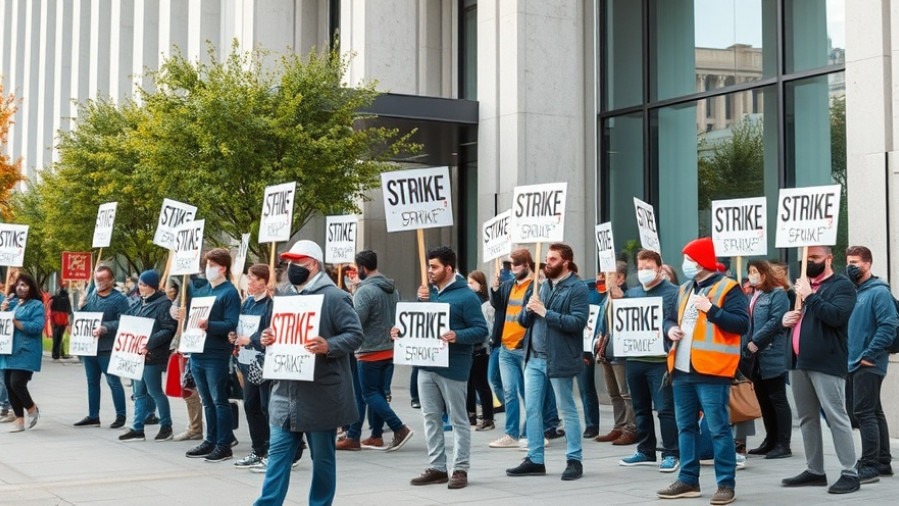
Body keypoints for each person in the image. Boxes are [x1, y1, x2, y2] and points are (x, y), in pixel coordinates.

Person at [255, 240, 363, 506]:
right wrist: (265, 337)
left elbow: (355, 335)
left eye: (297, 262)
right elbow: (272, 333)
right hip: (285, 394)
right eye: (289, 262)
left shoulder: (335, 297)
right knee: (277, 458)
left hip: (320, 396)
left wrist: (329, 346)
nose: (291, 267)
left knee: (323, 460)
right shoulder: (284, 296)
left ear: (312, 264)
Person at [657, 238, 749, 505]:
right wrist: (668, 329)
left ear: (702, 261)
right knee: (685, 427)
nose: (685, 263)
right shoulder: (685, 288)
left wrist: (712, 311)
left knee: (719, 430)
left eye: (689, 258)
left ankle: (725, 485)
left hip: (713, 371)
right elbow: (669, 317)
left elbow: (742, 324)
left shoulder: (728, 288)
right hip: (682, 371)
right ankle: (688, 480)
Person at [399, 247, 488, 490]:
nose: (429, 271)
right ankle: (437, 467)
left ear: (448, 268)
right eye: (429, 266)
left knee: (459, 419)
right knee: (430, 418)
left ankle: (460, 469)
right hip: (426, 366)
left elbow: (481, 331)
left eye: (434, 267)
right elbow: (418, 326)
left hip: (454, 368)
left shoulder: (467, 297)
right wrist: (400, 331)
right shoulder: (428, 295)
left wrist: (457, 335)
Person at [506, 243, 589, 481]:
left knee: (567, 409)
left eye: (552, 259)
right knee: (532, 409)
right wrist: (529, 310)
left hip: (559, 359)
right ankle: (535, 458)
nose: (547, 263)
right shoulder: (541, 286)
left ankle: (574, 459)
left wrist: (545, 312)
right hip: (533, 357)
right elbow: (523, 321)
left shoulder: (577, 288)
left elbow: (576, 323)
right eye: (547, 258)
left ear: (566, 262)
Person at [780, 246, 859, 494]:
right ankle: (815, 470)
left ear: (829, 258)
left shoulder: (841, 286)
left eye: (814, 257)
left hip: (826, 361)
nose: (809, 261)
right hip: (798, 361)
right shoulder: (802, 287)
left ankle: (850, 472)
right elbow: (801, 320)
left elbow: (836, 316)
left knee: (837, 417)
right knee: (807, 418)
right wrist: (786, 320)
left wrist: (811, 296)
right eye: (806, 258)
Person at [337, 250, 413, 451]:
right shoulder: (392, 289)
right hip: (389, 348)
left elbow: (356, 322)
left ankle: (399, 427)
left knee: (368, 394)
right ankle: (376, 435)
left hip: (370, 349)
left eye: (356, 268)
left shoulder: (365, 291)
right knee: (377, 392)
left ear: (363, 268)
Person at [488, 249, 560, 449]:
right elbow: (497, 305)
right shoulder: (509, 285)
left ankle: (536, 432)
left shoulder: (538, 288)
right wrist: (494, 288)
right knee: (510, 392)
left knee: (531, 394)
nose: (512, 269)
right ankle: (511, 434)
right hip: (506, 347)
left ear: (527, 265)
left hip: (526, 349)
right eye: (511, 265)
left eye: (516, 265)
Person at [615, 249, 680, 473]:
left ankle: (671, 452)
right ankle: (646, 450)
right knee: (640, 408)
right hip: (634, 358)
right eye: (640, 268)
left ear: (659, 269)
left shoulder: (673, 293)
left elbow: (674, 321)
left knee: (665, 409)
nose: (643, 272)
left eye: (648, 268)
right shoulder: (632, 294)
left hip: (660, 360)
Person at [178, 248, 241, 463]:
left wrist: (209, 325)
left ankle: (224, 444)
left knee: (218, 400)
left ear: (222, 268)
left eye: (211, 265)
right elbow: (192, 317)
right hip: (198, 351)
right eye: (206, 264)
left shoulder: (229, 292)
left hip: (216, 353)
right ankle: (210, 439)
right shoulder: (203, 290)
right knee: (206, 400)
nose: (207, 268)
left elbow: (231, 323)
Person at [845, 246, 898, 482]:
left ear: (868, 263)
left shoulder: (878, 292)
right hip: (857, 361)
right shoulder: (857, 291)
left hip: (868, 361)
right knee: (874, 411)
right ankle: (883, 461)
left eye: (856, 262)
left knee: (864, 413)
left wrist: (869, 354)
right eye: (848, 262)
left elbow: (889, 325)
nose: (851, 266)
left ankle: (869, 465)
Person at [117, 270, 177, 442]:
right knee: (139, 393)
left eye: (143, 284)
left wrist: (148, 343)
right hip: (138, 355)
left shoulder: (164, 304)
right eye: (140, 284)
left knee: (154, 391)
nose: (139, 287)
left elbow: (168, 329)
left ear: (151, 286)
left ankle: (166, 426)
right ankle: (137, 428)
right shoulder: (139, 303)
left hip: (153, 356)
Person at [743, 260, 792, 459]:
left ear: (766, 274)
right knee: (763, 400)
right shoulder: (754, 295)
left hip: (771, 354)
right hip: (755, 357)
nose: (752, 274)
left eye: (756, 271)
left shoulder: (778, 295)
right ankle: (770, 439)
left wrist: (756, 341)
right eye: (750, 271)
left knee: (777, 398)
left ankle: (783, 443)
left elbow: (775, 322)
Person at [74, 266, 131, 429]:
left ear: (111, 280)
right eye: (97, 279)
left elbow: (124, 320)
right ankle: (93, 416)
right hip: (90, 347)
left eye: (102, 279)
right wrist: (80, 306)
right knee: (92, 382)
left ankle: (120, 415)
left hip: (108, 348)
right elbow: (83, 318)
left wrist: (105, 327)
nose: (99, 282)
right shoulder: (91, 296)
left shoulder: (119, 299)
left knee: (113, 381)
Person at [231, 264, 275, 469]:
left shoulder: (270, 305)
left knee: (267, 407)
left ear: (263, 282)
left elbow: (270, 333)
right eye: (248, 278)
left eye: (252, 278)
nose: (248, 282)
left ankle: (274, 449)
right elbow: (239, 325)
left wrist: (251, 339)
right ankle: (258, 449)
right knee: (250, 405)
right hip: (248, 363)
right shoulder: (247, 303)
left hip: (264, 362)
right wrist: (234, 335)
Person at [595, 261, 637, 445]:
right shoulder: (606, 298)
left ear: (620, 278)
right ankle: (618, 425)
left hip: (621, 351)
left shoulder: (629, 297)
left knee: (625, 392)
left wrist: (622, 302)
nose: (604, 278)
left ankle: (631, 428)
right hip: (607, 350)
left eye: (609, 274)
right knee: (613, 392)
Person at [0, 272, 46, 432]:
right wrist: (3, 311)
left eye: (24, 285)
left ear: (30, 287)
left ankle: (32, 408)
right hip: (9, 351)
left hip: (26, 351)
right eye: (18, 285)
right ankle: (19, 420)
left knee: (17, 382)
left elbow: (37, 327)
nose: (21, 287)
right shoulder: (12, 304)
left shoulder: (36, 305)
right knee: (8, 384)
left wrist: (14, 321)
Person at [168, 278, 204, 442]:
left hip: (205, 344)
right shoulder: (185, 284)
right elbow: (174, 308)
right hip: (187, 343)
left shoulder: (217, 287)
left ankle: (221, 434)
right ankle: (195, 427)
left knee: (212, 395)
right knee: (188, 389)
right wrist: (175, 310)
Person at [465, 270, 495, 431]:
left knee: (480, 383)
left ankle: (488, 417)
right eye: (468, 283)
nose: (469, 286)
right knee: (470, 382)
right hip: (472, 348)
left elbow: (486, 328)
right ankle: (471, 414)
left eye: (472, 283)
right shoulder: (474, 301)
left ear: (480, 284)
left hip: (480, 348)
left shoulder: (485, 303)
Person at [49, 286, 73, 360]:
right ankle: (59, 352)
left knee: (55, 336)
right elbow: (69, 310)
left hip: (55, 319)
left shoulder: (55, 298)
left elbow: (51, 308)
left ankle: (55, 353)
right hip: (63, 319)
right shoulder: (66, 299)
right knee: (60, 336)